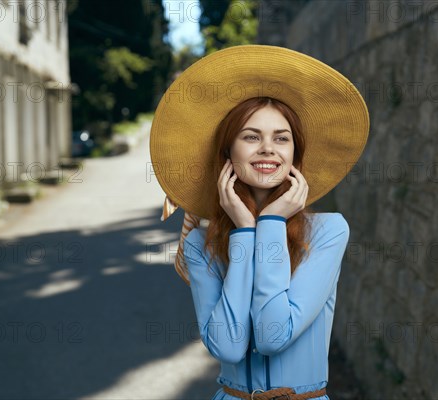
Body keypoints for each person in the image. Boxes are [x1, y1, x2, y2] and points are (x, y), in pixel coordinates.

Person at [150, 45, 369, 400]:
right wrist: (246, 233)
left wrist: (269, 223)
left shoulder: (329, 231)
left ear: (295, 153)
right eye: (251, 137)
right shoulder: (198, 244)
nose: (268, 148)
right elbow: (229, 347)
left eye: (281, 138)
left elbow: (272, 335)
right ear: (227, 154)